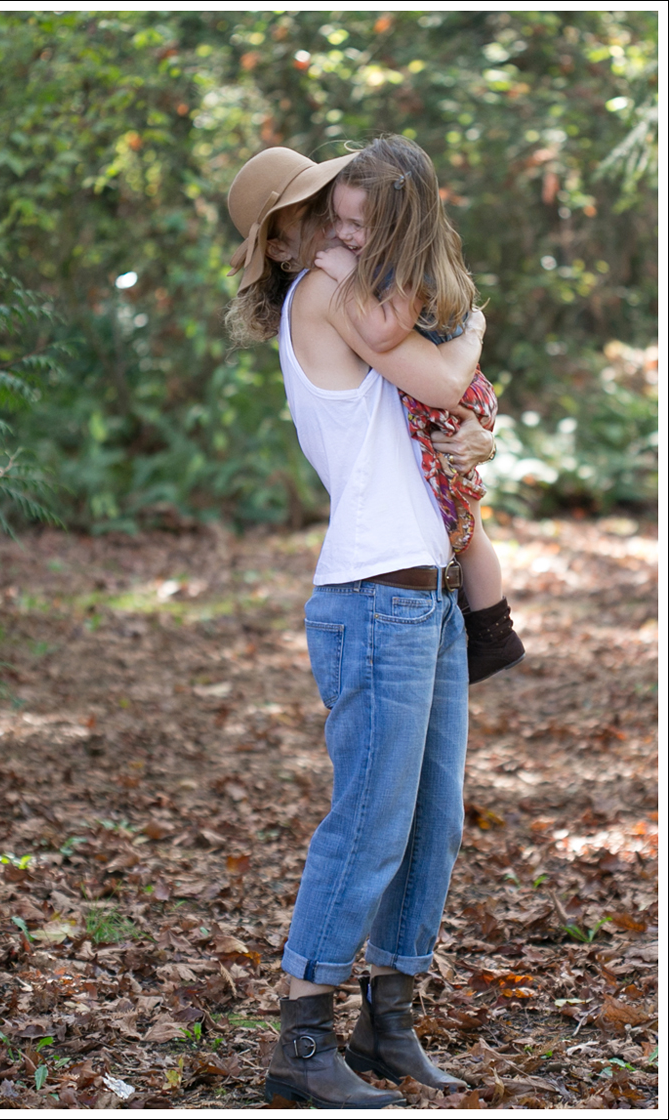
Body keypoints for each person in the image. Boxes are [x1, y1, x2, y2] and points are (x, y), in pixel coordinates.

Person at [226, 146, 494, 1109]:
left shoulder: (362, 295)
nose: (342, 233)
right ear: (286, 236)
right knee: (370, 825)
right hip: (374, 597)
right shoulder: (324, 292)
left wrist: (473, 425)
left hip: (424, 590)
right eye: (323, 217)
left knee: (431, 822)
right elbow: (441, 382)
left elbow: (436, 412)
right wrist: (474, 337)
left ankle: (389, 1021)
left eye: (349, 215)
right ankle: (301, 1042)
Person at [313, 135, 524, 684]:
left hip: (456, 395)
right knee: (464, 521)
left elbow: (383, 335)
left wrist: (342, 274)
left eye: (356, 225)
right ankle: (490, 628)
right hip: (457, 388)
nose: (343, 234)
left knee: (465, 523)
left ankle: (493, 633)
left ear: (397, 226)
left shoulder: (404, 266)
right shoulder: (411, 252)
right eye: (338, 220)